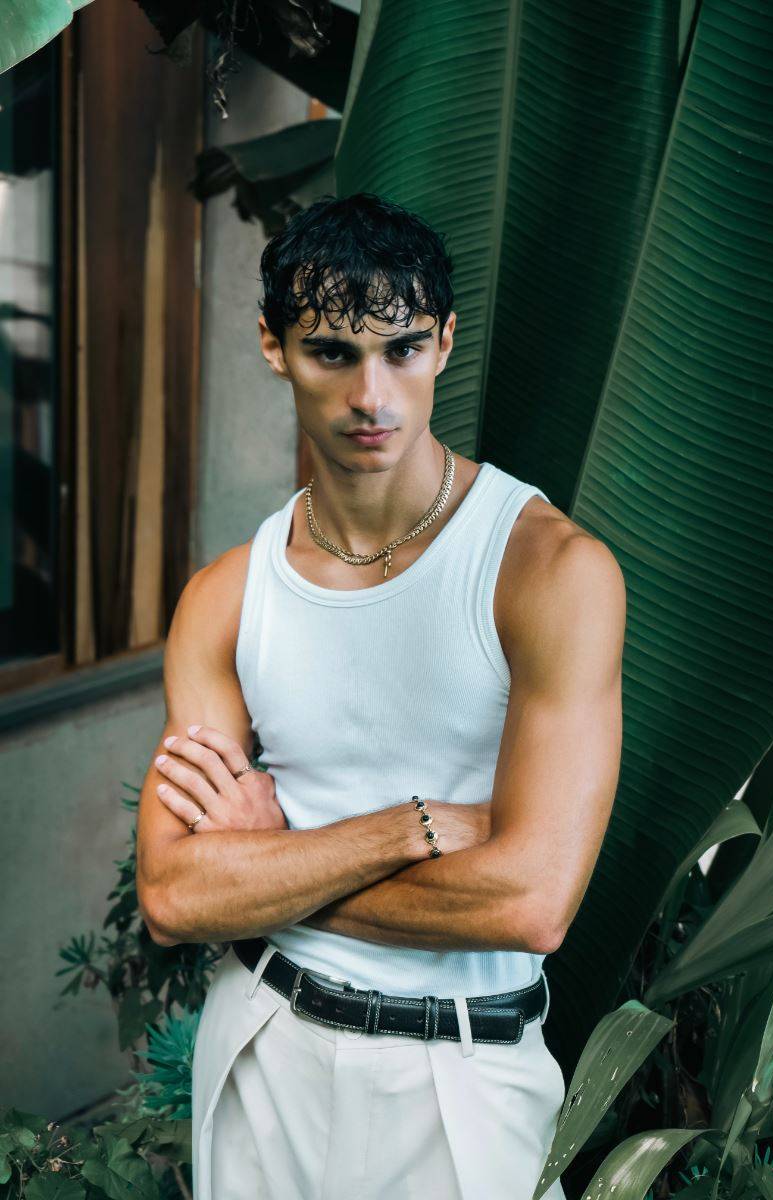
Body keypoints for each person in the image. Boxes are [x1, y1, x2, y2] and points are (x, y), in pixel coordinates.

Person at [135, 192, 626, 1200]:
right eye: (332, 352)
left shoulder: (545, 571)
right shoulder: (226, 597)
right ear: (273, 348)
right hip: (262, 1043)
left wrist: (271, 866)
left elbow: (531, 903)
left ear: (443, 342)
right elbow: (174, 895)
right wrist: (405, 829)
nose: (372, 395)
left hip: (460, 1074)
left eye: (401, 350)